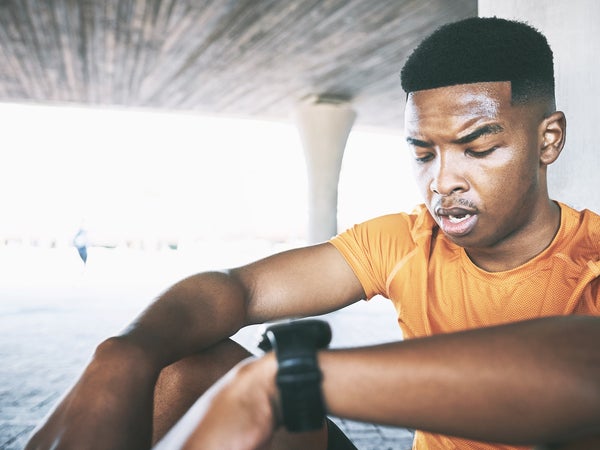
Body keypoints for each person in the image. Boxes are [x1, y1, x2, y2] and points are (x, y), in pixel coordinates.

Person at [26, 16, 599, 450]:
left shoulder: (592, 254)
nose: (442, 181)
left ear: (548, 140)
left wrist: (287, 379)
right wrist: (123, 354)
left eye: (478, 148)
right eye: (423, 154)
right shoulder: (406, 240)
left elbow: (586, 374)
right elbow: (239, 291)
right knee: (177, 370)